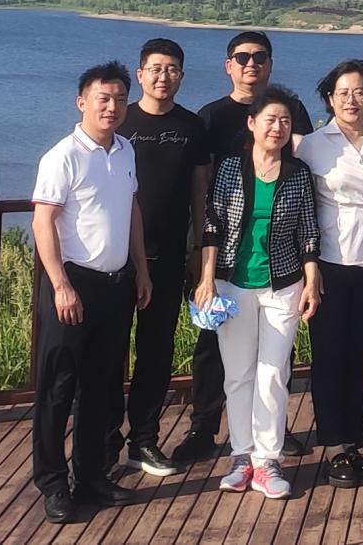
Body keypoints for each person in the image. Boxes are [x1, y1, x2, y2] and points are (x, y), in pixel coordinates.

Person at [174, 31, 313, 463]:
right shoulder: (211, 116)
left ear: (270, 64)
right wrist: (201, 256)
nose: (251, 63)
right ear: (228, 65)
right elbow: (201, 185)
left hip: (277, 266)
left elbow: (302, 168)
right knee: (213, 346)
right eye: (242, 57)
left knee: (273, 360)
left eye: (260, 56)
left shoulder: (293, 111)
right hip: (219, 254)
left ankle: (269, 433)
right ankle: (204, 426)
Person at [31, 62, 153, 524]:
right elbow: (43, 222)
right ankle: (52, 483)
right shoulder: (62, 156)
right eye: (103, 98)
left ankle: (90, 476)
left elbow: (131, 210)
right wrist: (60, 285)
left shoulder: (125, 149)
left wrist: (141, 270)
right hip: (73, 283)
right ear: (82, 102)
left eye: (120, 98)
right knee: (58, 388)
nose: (112, 107)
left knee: (101, 388)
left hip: (116, 284)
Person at [193, 87, 322, 499]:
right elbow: (212, 224)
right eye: (270, 120)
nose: (277, 128)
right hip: (233, 284)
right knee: (238, 374)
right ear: (252, 124)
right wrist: (207, 278)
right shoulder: (230, 168)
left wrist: (312, 280)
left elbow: (308, 230)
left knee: (273, 374)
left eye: (285, 121)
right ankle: (241, 457)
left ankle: (268, 460)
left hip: (283, 284)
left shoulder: (298, 173)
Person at [105, 39, 209, 478]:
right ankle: (104, 445)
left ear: (181, 76)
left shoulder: (191, 126)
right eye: (155, 69)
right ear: (140, 74)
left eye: (172, 70)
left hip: (167, 257)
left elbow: (200, 193)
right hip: (115, 258)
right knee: (109, 352)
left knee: (156, 352)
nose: (163, 77)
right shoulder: (119, 119)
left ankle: (143, 441)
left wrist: (199, 248)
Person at [296, 60, 363, 489]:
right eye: (343, 93)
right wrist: (309, 269)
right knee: (330, 353)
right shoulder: (312, 145)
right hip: (330, 258)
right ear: (329, 98)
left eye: (359, 92)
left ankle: (353, 438)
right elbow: (301, 204)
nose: (351, 100)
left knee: (361, 352)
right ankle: (333, 444)